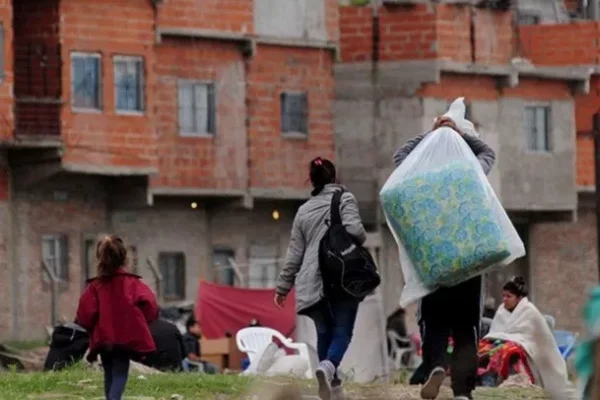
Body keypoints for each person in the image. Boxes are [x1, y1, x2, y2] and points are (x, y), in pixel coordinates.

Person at [394, 115, 496, 400]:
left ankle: (436, 367)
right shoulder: (470, 170)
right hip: (467, 264)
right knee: (466, 328)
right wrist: (458, 134)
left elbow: (399, 155)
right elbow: (488, 152)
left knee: (435, 323)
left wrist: (433, 133)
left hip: (434, 264)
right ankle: (462, 391)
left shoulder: (420, 174)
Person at [275, 157, 367, 400]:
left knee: (324, 333)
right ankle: (328, 369)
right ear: (334, 178)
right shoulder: (344, 198)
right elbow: (356, 231)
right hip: (342, 276)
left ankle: (332, 389)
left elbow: (294, 254)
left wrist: (283, 287)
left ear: (312, 180)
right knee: (343, 331)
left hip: (310, 281)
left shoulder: (303, 211)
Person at [76, 235, 158, 400]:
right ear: (124, 258)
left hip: (104, 338)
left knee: (108, 372)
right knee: (120, 371)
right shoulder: (133, 284)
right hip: (126, 337)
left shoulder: (95, 286)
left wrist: (93, 327)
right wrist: (141, 322)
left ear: (100, 259)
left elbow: (84, 314)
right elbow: (151, 306)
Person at [480, 277, 571, 398]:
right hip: (504, 341)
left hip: (529, 347)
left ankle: (516, 379)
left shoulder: (529, 311)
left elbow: (531, 337)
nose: (505, 300)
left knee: (509, 350)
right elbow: (496, 331)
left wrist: (511, 341)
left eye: (509, 296)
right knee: (484, 347)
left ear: (518, 298)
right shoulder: (502, 310)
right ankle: (485, 379)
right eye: (504, 296)